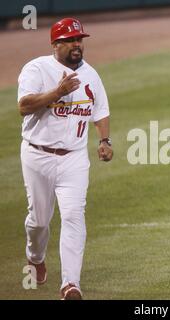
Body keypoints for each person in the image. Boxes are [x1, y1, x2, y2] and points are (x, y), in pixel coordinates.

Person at [18, 18, 113, 300]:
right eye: (70, 40)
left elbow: (101, 110)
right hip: (37, 156)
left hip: (74, 158)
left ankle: (70, 284)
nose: (77, 45)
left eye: (79, 40)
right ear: (55, 44)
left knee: (73, 216)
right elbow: (24, 106)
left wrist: (105, 141)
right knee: (39, 221)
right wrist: (57, 92)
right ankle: (34, 256)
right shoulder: (37, 68)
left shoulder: (91, 74)